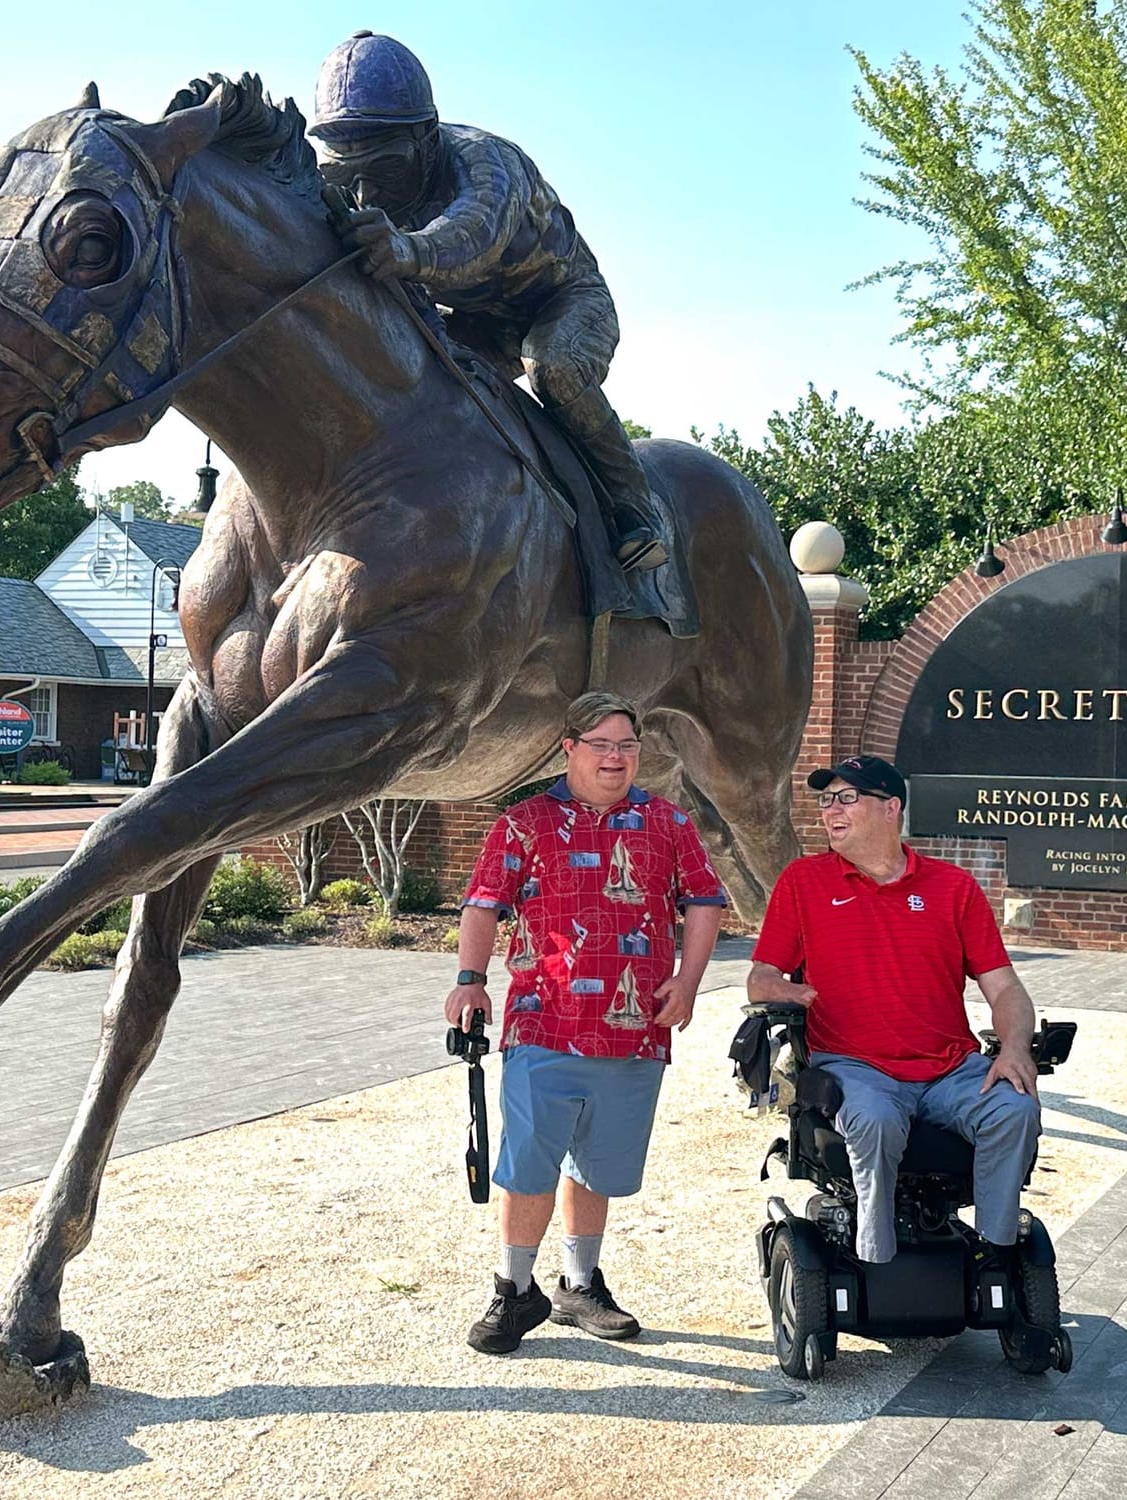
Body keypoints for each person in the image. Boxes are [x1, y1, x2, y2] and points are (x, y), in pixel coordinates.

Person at [309, 30, 668, 572]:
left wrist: (404, 247)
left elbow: (474, 235)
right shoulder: (363, 187)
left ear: (427, 137)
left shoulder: (486, 162)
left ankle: (635, 507)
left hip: (561, 301)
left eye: (385, 171)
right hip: (476, 319)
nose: (367, 195)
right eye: (345, 175)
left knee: (555, 367)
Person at [446, 692, 725, 1353]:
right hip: (545, 1022)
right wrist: (469, 981)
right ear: (569, 747)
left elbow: (705, 902)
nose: (615, 758)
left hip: (636, 1030)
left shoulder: (668, 824)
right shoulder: (524, 824)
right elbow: (483, 905)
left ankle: (578, 1284)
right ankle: (514, 1290)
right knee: (527, 1164)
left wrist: (687, 981)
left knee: (598, 1166)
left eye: (627, 747)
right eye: (601, 744)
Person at [746, 755, 1043, 1269]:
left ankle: (995, 1253)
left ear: (891, 808)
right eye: (826, 800)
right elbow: (760, 977)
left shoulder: (953, 888)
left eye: (846, 798)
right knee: (875, 1120)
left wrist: (1015, 1049)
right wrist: (790, 993)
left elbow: (1006, 988)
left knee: (1015, 1109)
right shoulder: (804, 881)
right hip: (855, 1064)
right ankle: (875, 1260)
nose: (830, 811)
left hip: (949, 1068)